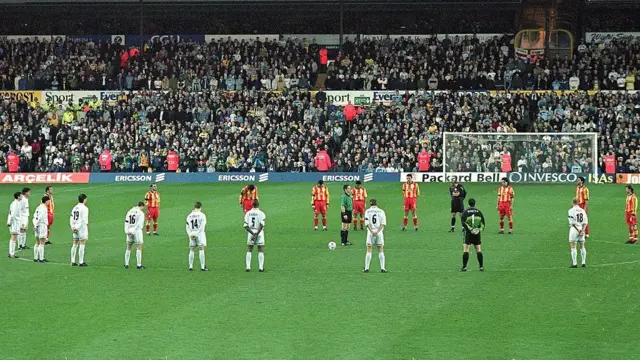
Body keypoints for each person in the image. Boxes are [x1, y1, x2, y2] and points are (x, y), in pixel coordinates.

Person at [460, 198, 486, 272]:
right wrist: (478, 230)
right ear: (474, 204)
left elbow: (463, 222)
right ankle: (481, 267)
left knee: (466, 249)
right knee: (478, 249)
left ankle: (464, 267)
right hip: (477, 233)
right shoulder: (479, 212)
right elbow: (483, 224)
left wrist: (470, 229)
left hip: (468, 233)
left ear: (468, 204)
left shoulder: (465, 212)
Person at [363, 199, 387, 273]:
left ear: (370, 204)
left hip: (370, 233)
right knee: (380, 250)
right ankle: (382, 268)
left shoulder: (367, 211)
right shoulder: (381, 211)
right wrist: (377, 232)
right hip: (379, 233)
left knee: (369, 250)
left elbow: (367, 223)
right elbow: (383, 223)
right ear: (376, 204)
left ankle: (366, 268)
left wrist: (372, 231)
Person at [244, 199, 266, 272]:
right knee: (260, 249)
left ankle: (248, 267)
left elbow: (245, 226)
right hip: (259, 232)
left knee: (249, 249)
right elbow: (262, 224)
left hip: (251, 232)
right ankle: (260, 268)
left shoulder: (248, 213)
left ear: (252, 205)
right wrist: (256, 234)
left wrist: (252, 234)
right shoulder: (261, 213)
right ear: (258, 204)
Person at [186, 202, 208, 271]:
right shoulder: (202, 215)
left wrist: (190, 234)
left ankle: (190, 266)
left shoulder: (189, 215)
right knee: (201, 248)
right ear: (200, 207)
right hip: (200, 234)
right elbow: (202, 226)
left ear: (194, 207)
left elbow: (187, 226)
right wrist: (197, 234)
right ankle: (202, 267)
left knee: (192, 249)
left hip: (191, 233)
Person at [124, 202, 146, 269]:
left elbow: (126, 222)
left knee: (128, 247)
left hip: (129, 230)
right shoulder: (141, 213)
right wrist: (133, 230)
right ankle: (139, 265)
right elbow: (139, 224)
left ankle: (126, 264)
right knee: (139, 247)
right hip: (136, 231)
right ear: (141, 206)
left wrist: (127, 231)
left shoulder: (129, 211)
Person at [568, 198, 588, 268]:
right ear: (578, 202)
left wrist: (578, 230)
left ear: (572, 203)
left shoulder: (571, 210)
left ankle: (574, 263)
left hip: (574, 229)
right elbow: (585, 222)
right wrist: (582, 231)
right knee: (582, 246)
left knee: (573, 246)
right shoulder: (582, 210)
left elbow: (572, 222)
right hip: (581, 229)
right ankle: (583, 262)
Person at [70, 194, 89, 267]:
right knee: (82, 243)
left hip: (74, 227)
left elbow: (71, 218)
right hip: (81, 227)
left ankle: (72, 261)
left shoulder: (74, 207)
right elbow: (84, 220)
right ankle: (81, 262)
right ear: (84, 199)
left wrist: (73, 227)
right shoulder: (85, 208)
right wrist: (78, 227)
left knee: (75, 244)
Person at [32, 196, 50, 263]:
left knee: (37, 242)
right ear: (46, 201)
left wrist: (35, 225)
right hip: (42, 225)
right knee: (42, 243)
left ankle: (35, 257)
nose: (49, 202)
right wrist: (36, 225)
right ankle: (41, 258)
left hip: (36, 225)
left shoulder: (38, 207)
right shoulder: (44, 208)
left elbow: (34, 217)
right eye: (49, 201)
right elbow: (40, 217)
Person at [7, 192, 23, 259]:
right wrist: (9, 222)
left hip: (15, 222)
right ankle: (11, 253)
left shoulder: (16, 203)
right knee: (13, 237)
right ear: (18, 196)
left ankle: (11, 253)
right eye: (21, 195)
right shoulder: (15, 204)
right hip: (15, 222)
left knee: (14, 237)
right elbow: (12, 214)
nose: (22, 196)